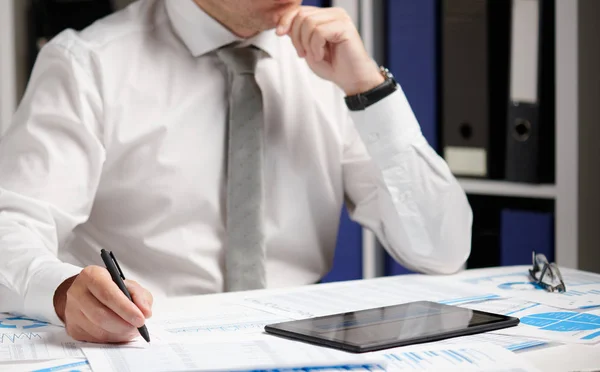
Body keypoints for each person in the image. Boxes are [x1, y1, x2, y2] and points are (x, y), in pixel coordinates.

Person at [0, 0, 472, 343]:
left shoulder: (328, 65)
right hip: (147, 343)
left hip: (303, 344)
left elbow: (441, 249)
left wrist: (367, 87)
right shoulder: (90, 64)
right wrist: (63, 292)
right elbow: (11, 226)